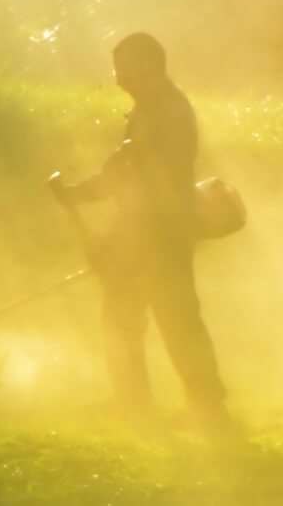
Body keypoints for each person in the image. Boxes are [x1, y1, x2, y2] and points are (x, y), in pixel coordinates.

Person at [50, 33, 233, 434]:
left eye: (124, 70)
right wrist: (81, 196)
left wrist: (114, 235)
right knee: (126, 316)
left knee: (176, 320)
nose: (118, 80)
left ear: (149, 67)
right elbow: (124, 173)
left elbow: (141, 180)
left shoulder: (169, 116)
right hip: (148, 232)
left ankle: (204, 407)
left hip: (161, 235)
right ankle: (136, 401)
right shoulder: (152, 110)